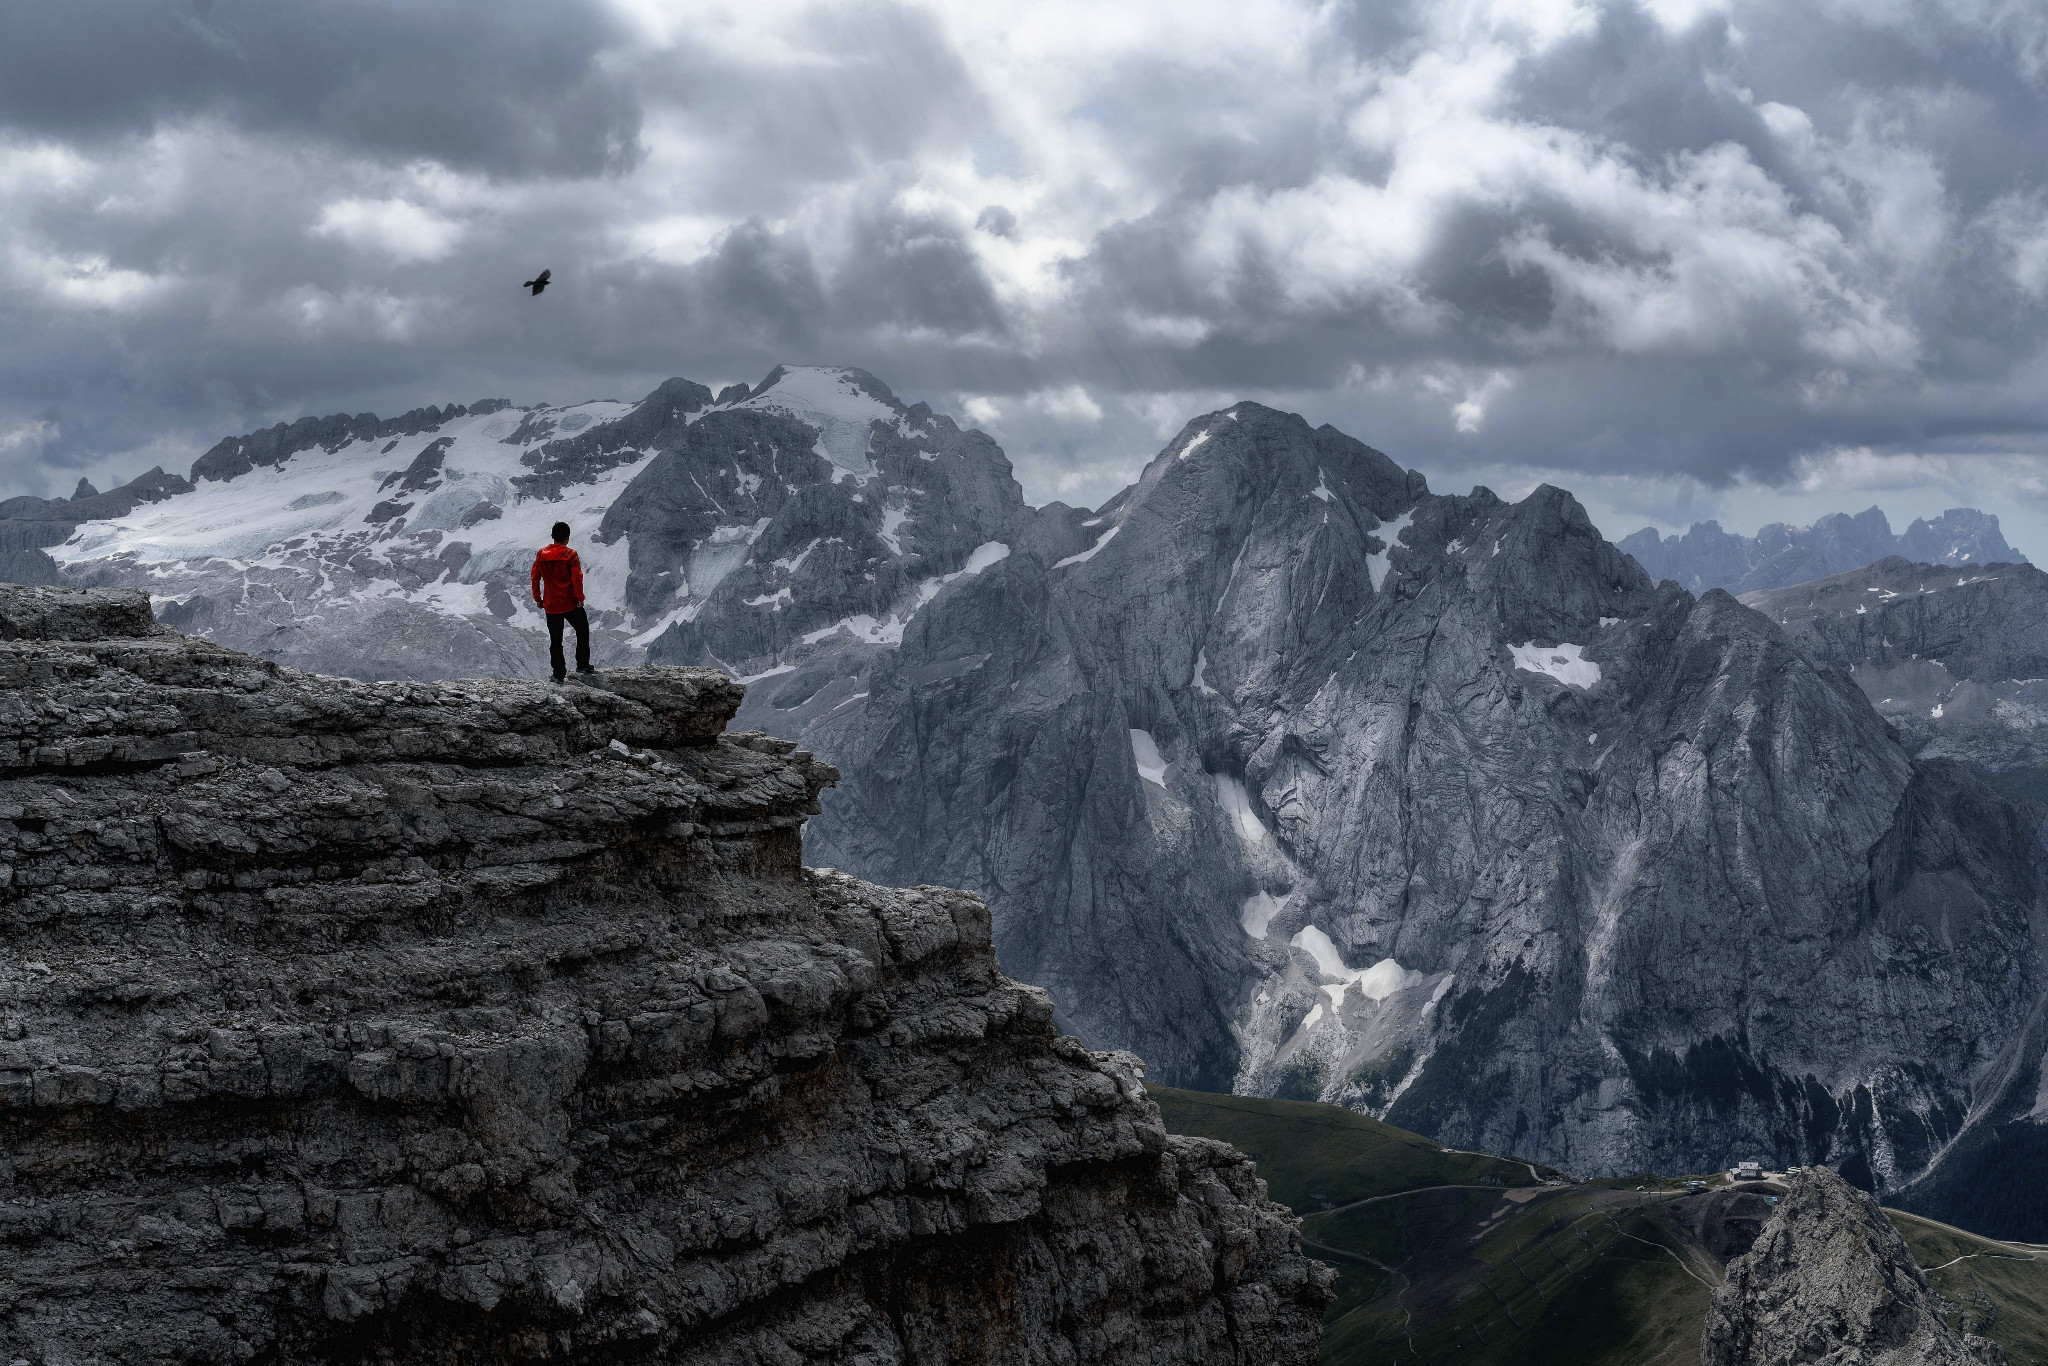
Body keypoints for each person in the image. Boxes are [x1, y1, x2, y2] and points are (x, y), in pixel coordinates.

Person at [531, 521, 595, 681]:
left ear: (552, 537)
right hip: (569, 603)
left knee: (556, 640)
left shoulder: (541, 554)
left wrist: (538, 598)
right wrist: (580, 598)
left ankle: (559, 674)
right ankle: (582, 665)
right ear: (567, 537)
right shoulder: (571, 555)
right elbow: (577, 578)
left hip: (551, 604)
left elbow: (535, 577)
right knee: (582, 630)